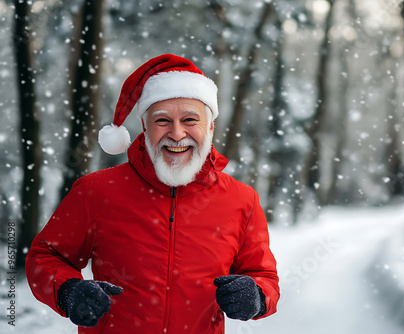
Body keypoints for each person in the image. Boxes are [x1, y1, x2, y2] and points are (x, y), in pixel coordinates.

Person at [26, 54, 280, 333]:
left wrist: (256, 296)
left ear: (210, 127)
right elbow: (45, 256)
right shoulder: (96, 191)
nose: (177, 133)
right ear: (145, 128)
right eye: (162, 121)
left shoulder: (241, 199)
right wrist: (68, 290)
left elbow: (263, 275)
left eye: (190, 119)